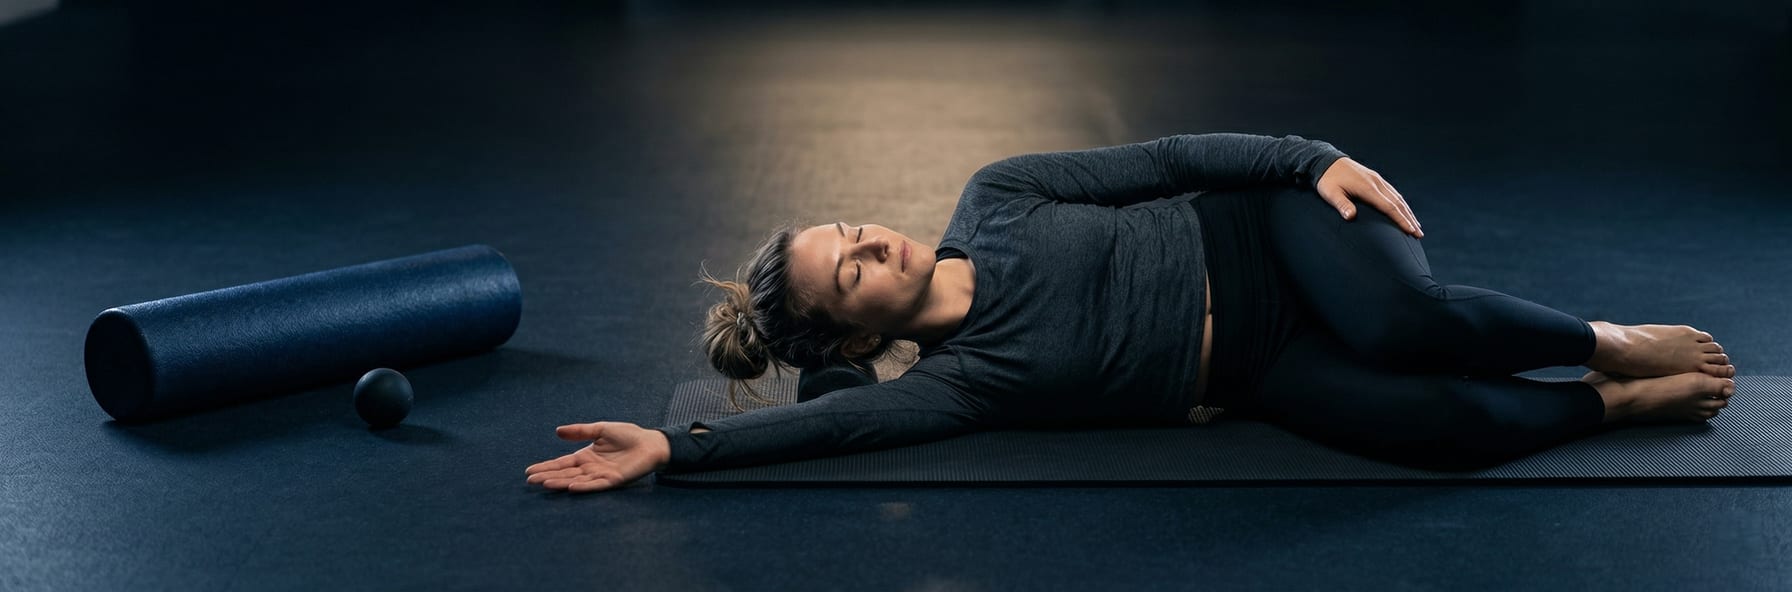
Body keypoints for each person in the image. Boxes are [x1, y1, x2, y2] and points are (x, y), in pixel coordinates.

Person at [525, 132, 1738, 493]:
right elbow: (834, 431)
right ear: (858, 334)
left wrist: (1305, 157)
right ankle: (1597, 403)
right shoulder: (960, 386)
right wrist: (675, 450)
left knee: (1402, 331)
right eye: (849, 274)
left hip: (1280, 231)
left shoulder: (996, 197)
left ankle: (1603, 337)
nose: (865, 242)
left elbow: (1165, 160)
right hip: (1260, 364)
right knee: (1442, 437)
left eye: (845, 232)